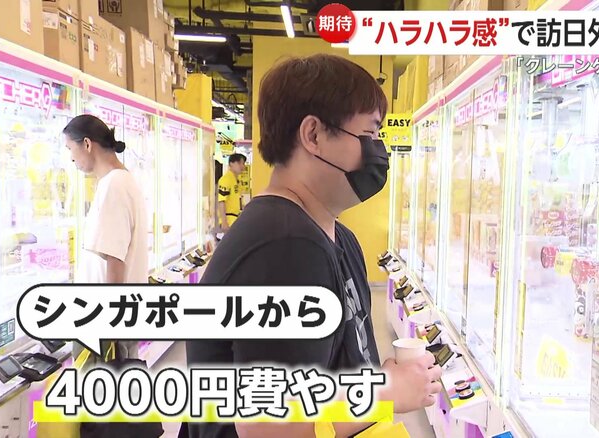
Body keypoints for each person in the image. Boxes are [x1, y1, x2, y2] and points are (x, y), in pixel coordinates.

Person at [186, 54, 442, 438]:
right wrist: (386, 393)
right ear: (314, 135)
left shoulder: (335, 236)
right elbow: (268, 426)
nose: (379, 150)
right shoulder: (285, 247)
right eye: (369, 135)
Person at [64, 115, 162, 437]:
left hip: (104, 321)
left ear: (87, 144)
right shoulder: (122, 181)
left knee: (104, 410)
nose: (71, 159)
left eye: (71, 149)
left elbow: (114, 259)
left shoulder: (113, 186)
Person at [217, 153, 247, 233]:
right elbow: (221, 201)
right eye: (240, 163)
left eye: (243, 163)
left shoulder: (237, 180)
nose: (242, 166)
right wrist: (224, 222)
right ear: (231, 164)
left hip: (236, 218)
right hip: (229, 220)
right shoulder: (226, 179)